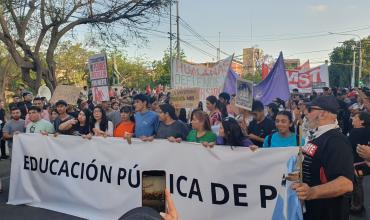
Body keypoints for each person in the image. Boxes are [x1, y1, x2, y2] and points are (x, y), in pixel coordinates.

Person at [291, 95, 354, 220]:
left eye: (309, 109)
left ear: (323, 114)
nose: (305, 113)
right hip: (312, 210)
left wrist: (312, 192)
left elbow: (345, 184)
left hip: (328, 213)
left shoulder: (336, 141)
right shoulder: (318, 135)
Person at [348, 111, 370, 214]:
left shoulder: (356, 132)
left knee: (356, 186)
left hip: (356, 164)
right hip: (363, 163)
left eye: (355, 117)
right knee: (358, 185)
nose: (353, 118)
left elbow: (348, 147)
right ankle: (358, 206)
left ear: (362, 121)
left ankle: (357, 208)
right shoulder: (366, 131)